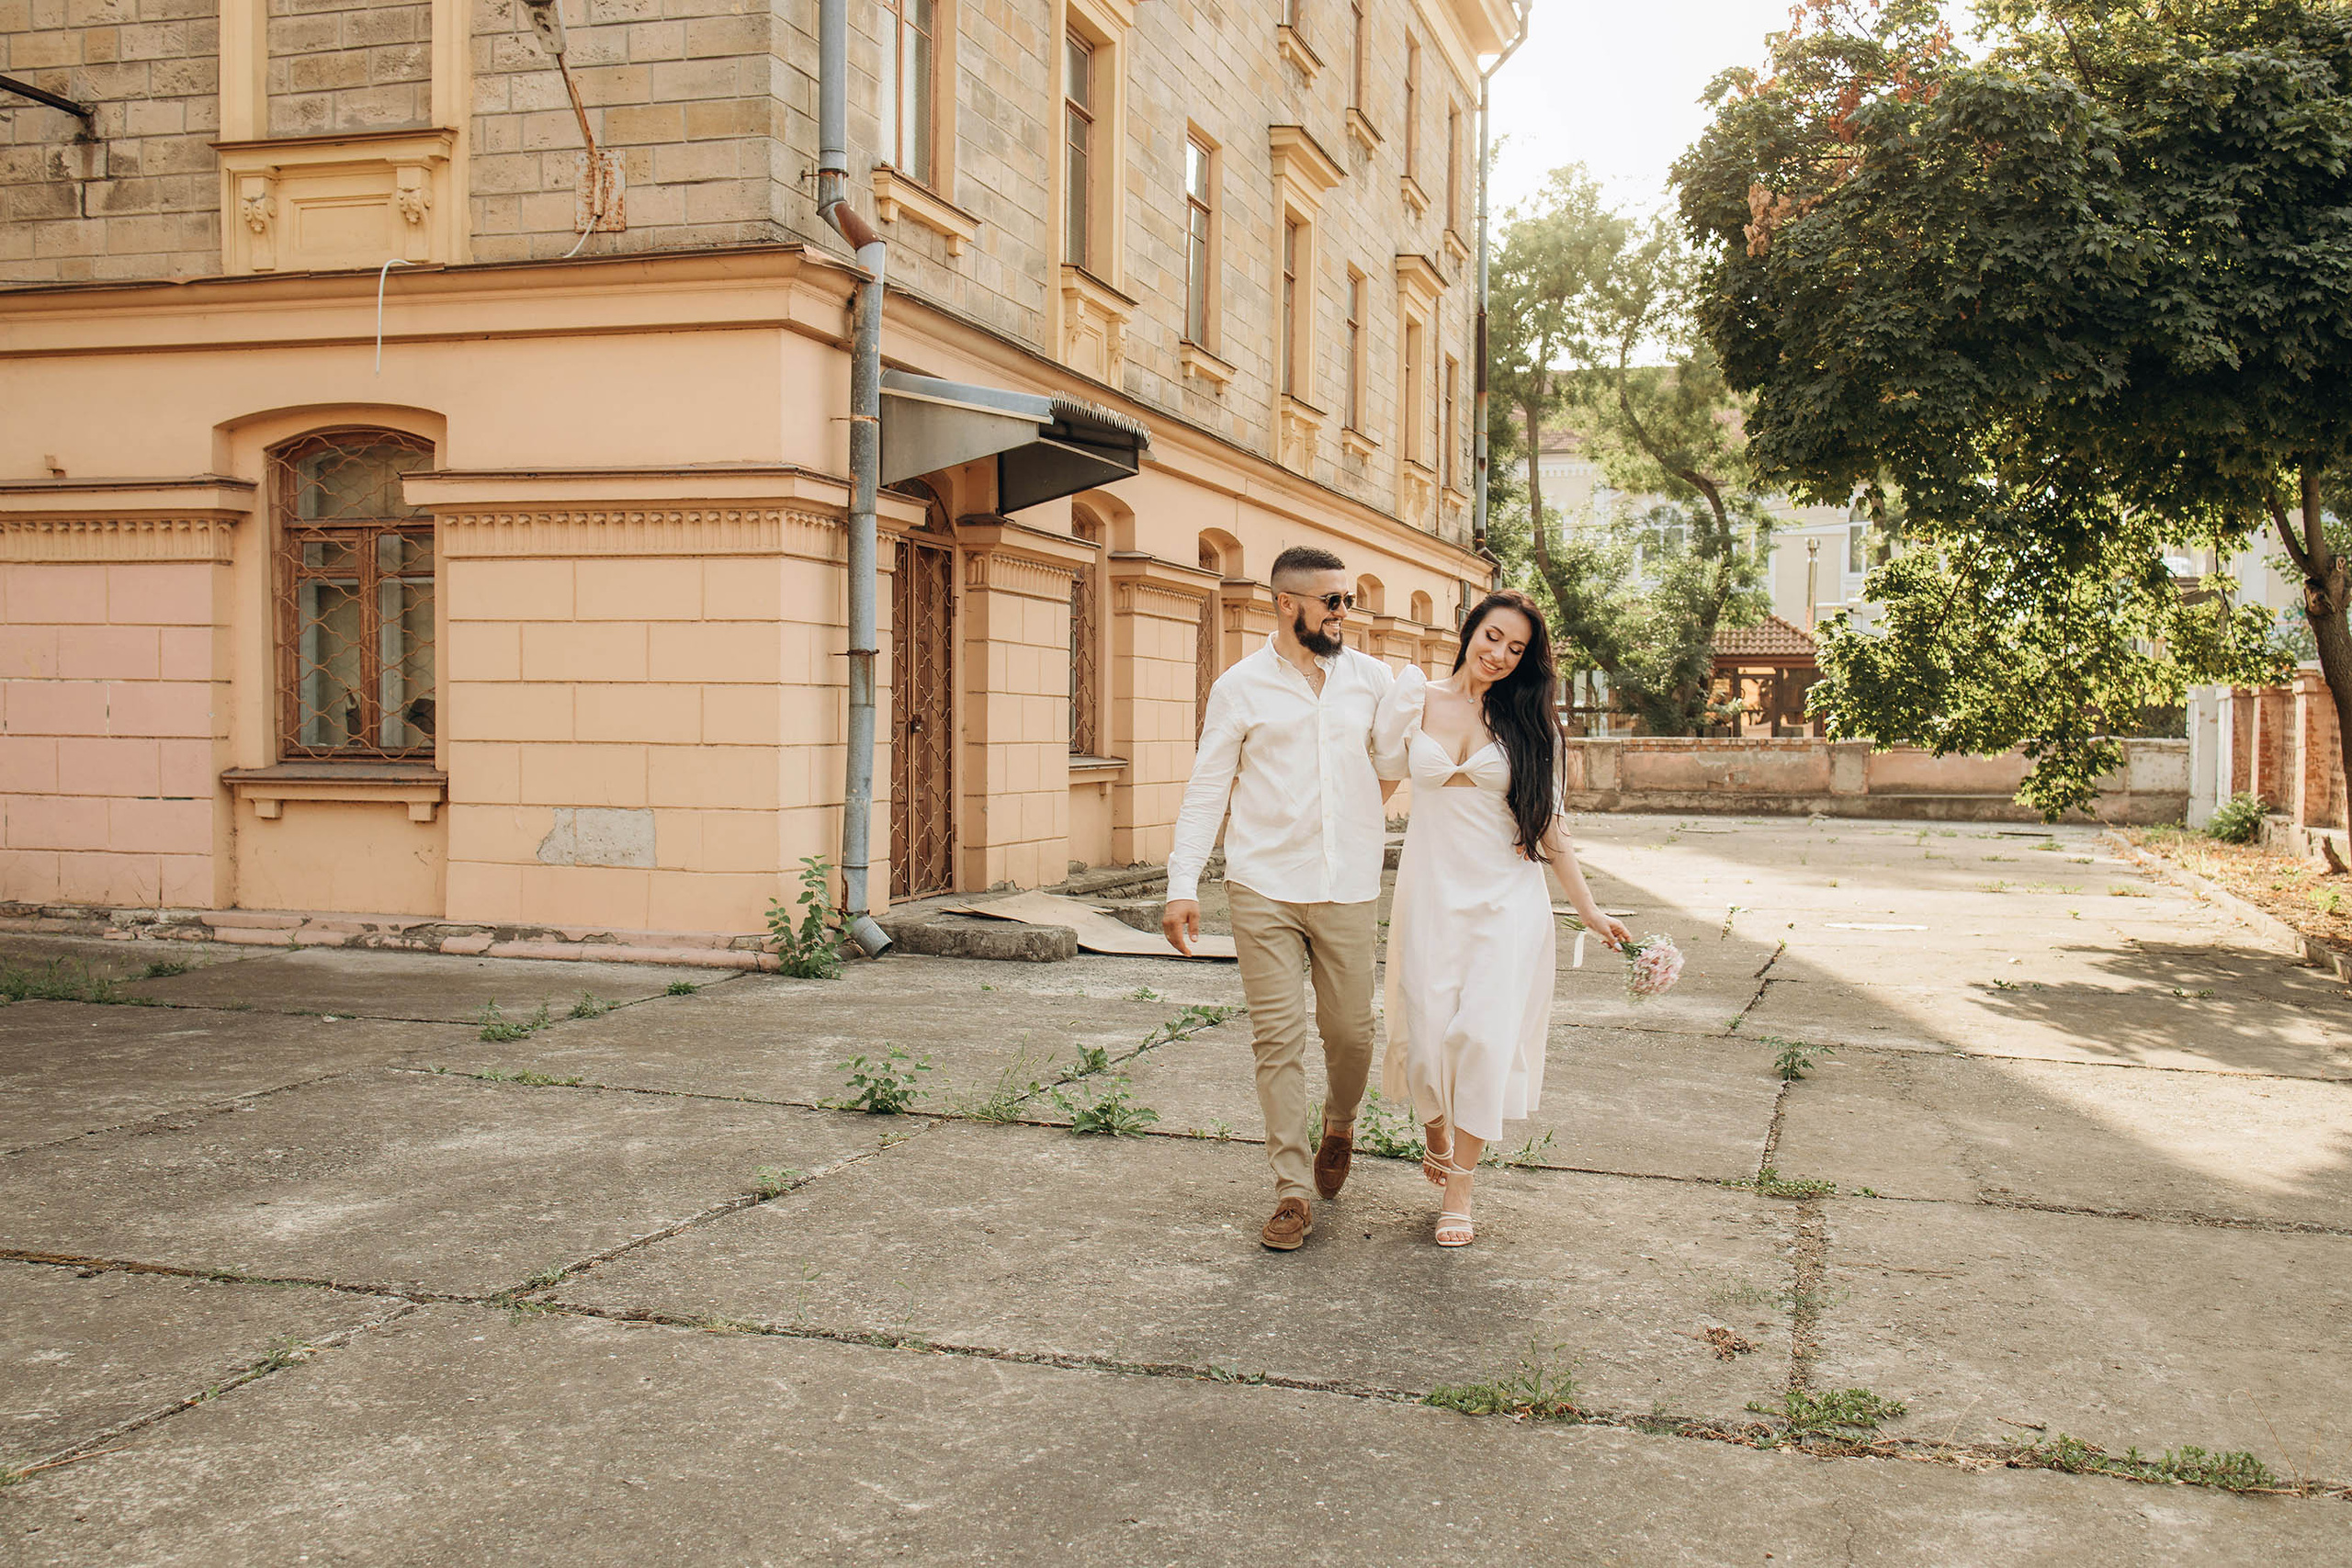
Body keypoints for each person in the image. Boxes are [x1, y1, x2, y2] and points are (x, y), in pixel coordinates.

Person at [1374, 590, 1630, 1247]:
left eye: (1516, 649)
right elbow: (1374, 788)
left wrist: (1589, 910)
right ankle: (1436, 1129)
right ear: (1470, 631)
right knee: (1427, 1038)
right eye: (1493, 637)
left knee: (1484, 1039)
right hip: (1431, 894)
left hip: (1505, 902)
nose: (1499, 655)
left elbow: (1551, 828)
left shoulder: (1530, 723)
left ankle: (1460, 1190)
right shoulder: (1416, 698)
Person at [1164, 545, 1401, 1251]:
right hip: (1262, 884)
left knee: (1351, 1034)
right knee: (1277, 1038)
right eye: (1332, 600)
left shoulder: (1373, 680)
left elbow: (1394, 763)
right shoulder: (1238, 687)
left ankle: (1340, 1123)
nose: (1343, 612)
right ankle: (1291, 1190)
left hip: (1347, 885)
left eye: (1347, 599)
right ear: (1286, 602)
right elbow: (1208, 785)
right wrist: (1182, 884)